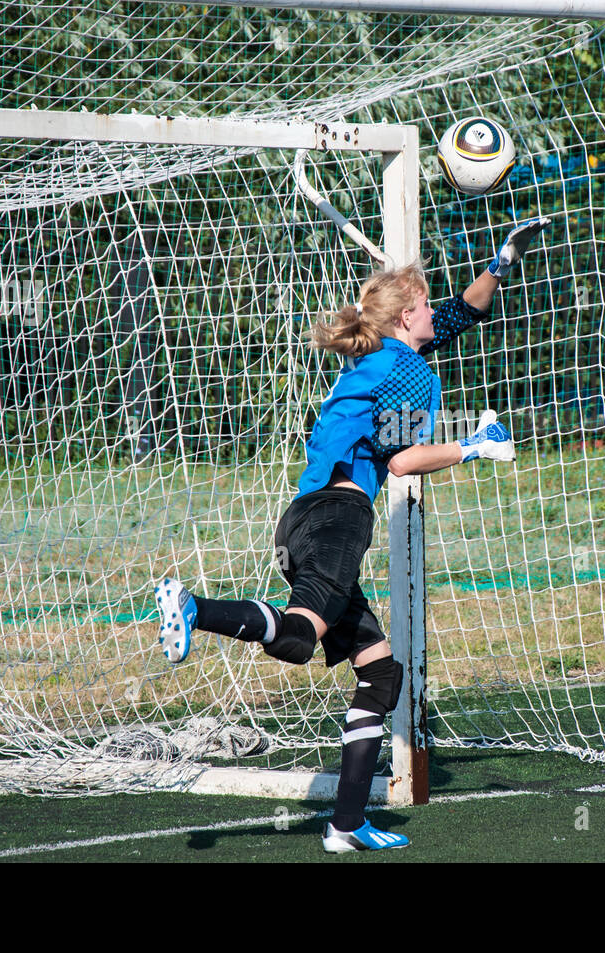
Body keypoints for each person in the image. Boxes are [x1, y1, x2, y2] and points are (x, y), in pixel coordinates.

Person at [155, 216, 549, 852]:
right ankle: (192, 606)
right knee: (295, 640)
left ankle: (345, 825)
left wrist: (502, 262)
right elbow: (400, 462)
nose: (433, 311)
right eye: (424, 305)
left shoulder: (389, 354)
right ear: (404, 320)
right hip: (340, 519)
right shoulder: (410, 375)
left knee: (380, 670)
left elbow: (464, 312)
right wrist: (474, 447)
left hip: (306, 519)